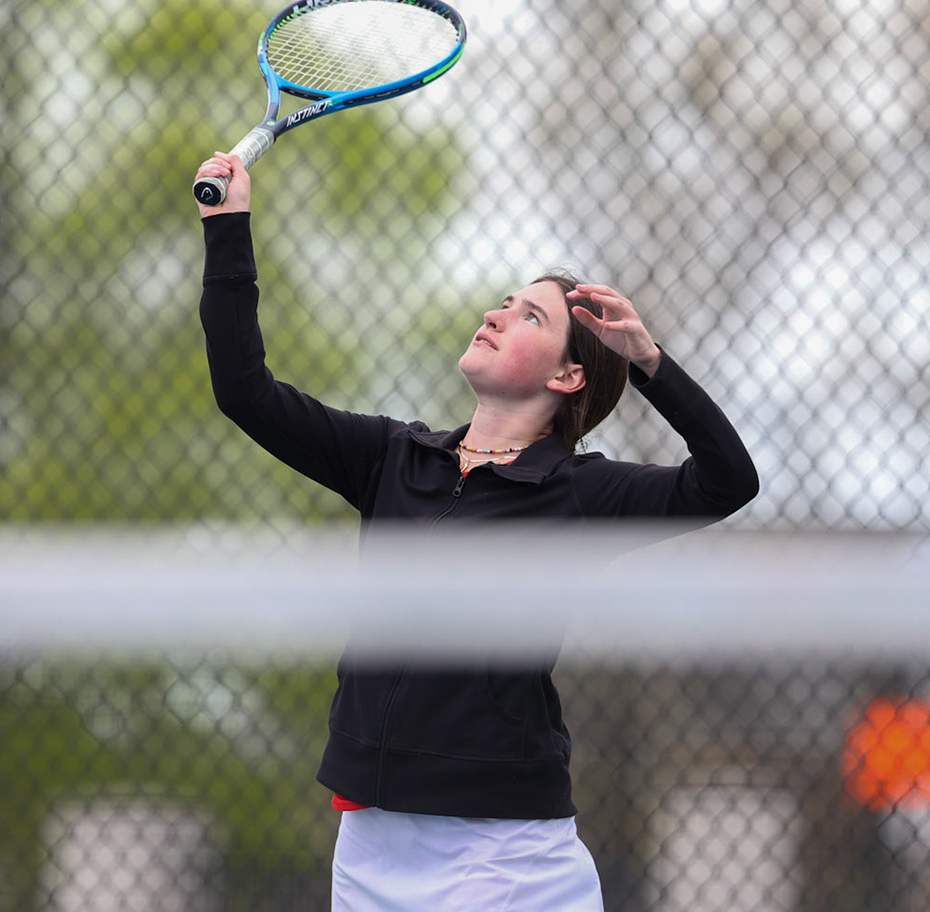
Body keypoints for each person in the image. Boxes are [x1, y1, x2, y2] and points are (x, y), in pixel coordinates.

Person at [193, 150, 759, 911]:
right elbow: (244, 391)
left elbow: (728, 481)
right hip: (373, 844)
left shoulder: (578, 493)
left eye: (531, 316)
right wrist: (228, 227)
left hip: (507, 855)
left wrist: (649, 361)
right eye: (504, 301)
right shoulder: (392, 458)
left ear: (568, 377)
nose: (496, 314)